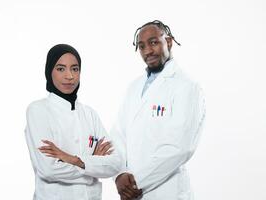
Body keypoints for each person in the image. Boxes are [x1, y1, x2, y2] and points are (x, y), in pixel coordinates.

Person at [112, 20, 206, 200]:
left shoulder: (187, 86)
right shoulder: (133, 87)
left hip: (167, 191)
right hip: (131, 191)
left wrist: (135, 182)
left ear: (168, 42)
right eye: (141, 46)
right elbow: (117, 135)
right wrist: (119, 174)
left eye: (153, 42)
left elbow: (180, 147)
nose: (147, 51)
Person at [25, 44, 123, 200]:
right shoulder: (38, 110)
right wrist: (92, 168)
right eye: (61, 69)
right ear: (49, 71)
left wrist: (71, 159)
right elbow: (48, 169)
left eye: (75, 69)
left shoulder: (90, 114)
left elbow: (116, 163)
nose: (69, 76)